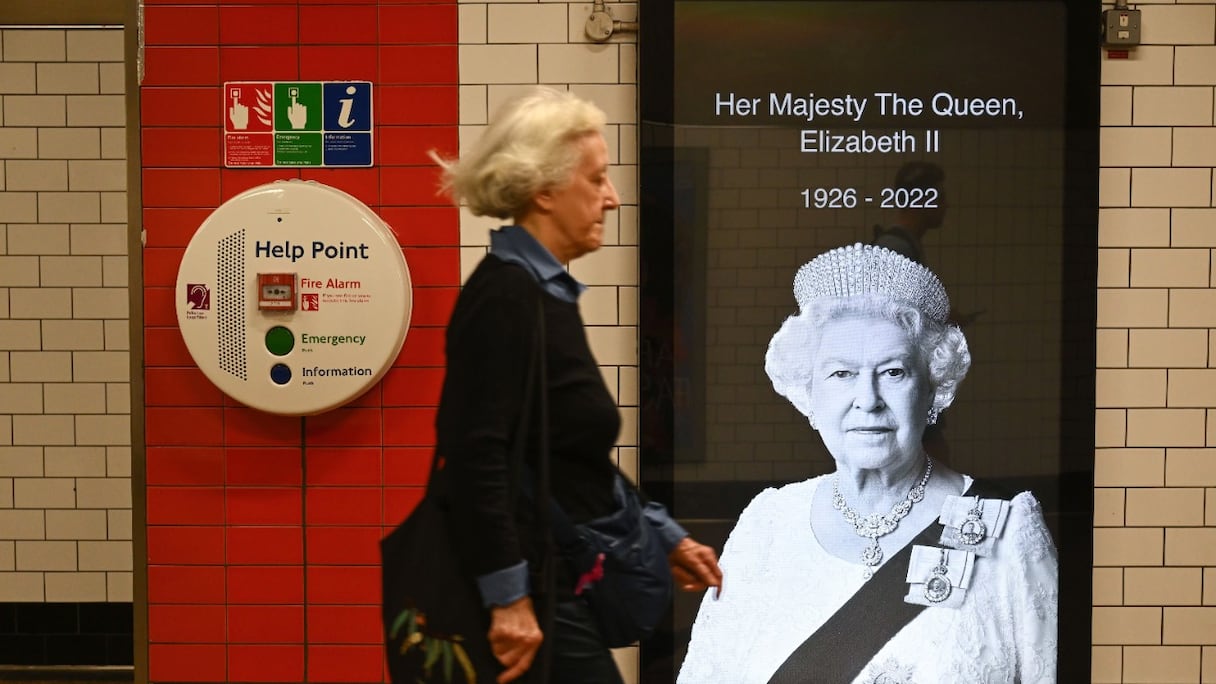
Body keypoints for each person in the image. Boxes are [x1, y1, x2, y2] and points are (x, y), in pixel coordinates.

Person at [431, 87, 723, 684]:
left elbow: (566, 453)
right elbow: (475, 454)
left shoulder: (542, 295)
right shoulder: (506, 297)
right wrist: (508, 600)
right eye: (596, 180)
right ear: (544, 190)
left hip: (556, 580)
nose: (611, 199)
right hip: (535, 592)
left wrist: (662, 534)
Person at [678, 243, 1057, 683]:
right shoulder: (768, 524)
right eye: (842, 374)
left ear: (933, 389)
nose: (868, 401)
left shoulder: (1007, 531)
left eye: (893, 372)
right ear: (809, 395)